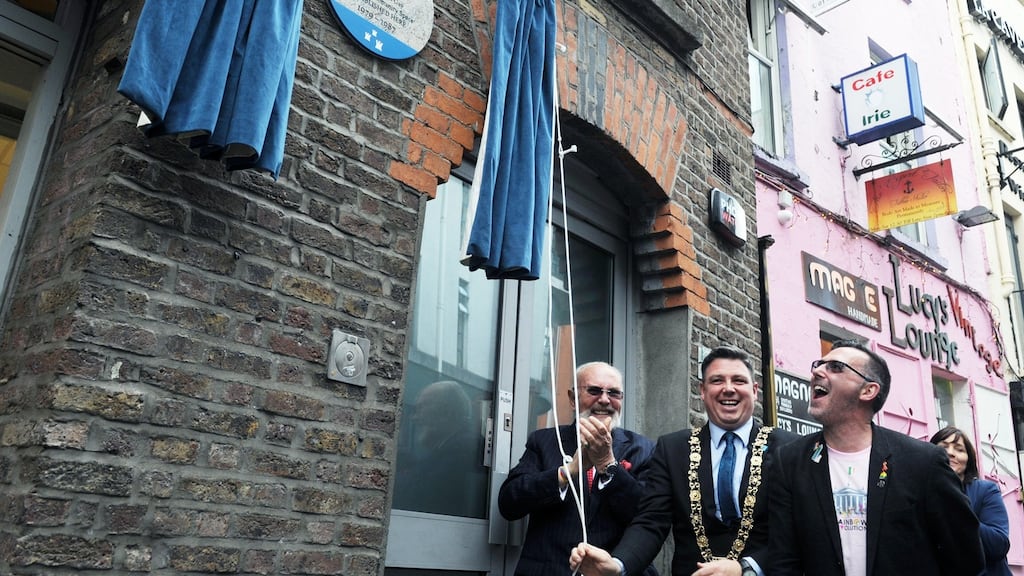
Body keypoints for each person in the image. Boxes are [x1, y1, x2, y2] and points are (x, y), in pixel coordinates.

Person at [570, 345, 798, 576]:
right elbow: (651, 521)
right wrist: (618, 565)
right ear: (702, 390)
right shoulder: (674, 448)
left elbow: (798, 528)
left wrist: (746, 568)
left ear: (755, 390)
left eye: (738, 380)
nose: (728, 389)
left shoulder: (789, 448)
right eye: (717, 380)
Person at [769, 339, 984, 576]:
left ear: (868, 390)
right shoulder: (789, 461)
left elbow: (965, 557)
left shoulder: (923, 462)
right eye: (819, 364)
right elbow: (782, 561)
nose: (817, 371)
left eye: (836, 367)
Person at [499, 361, 657, 576]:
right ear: (573, 399)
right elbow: (509, 502)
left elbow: (648, 516)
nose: (604, 400)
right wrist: (567, 472)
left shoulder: (643, 448)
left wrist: (608, 464)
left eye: (614, 393)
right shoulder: (545, 441)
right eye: (594, 390)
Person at [392, 380, 488, 517]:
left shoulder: (464, 449)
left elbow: (416, 492)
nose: (414, 418)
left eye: (421, 408)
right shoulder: (453, 446)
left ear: (447, 412)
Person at [930, 426, 1012, 576]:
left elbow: (998, 545)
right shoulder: (921, 495)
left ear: (968, 459)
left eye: (959, 449)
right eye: (943, 447)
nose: (950, 453)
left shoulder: (986, 490)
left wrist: (957, 512)